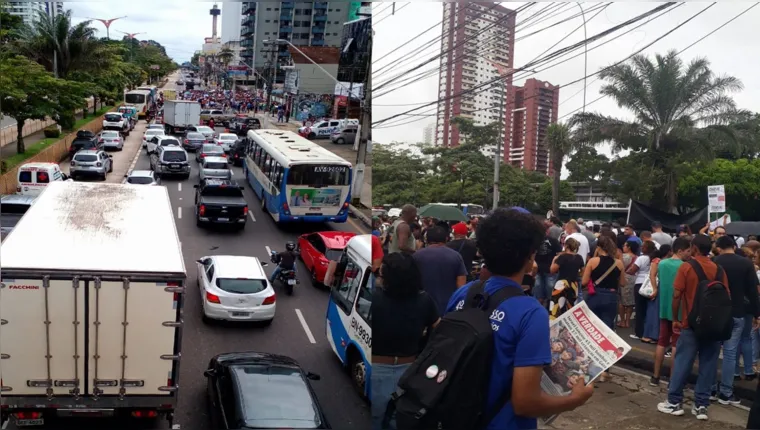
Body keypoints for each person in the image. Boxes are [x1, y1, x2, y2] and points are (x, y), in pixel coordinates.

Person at [445, 208, 594, 429]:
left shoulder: (464, 293)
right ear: (530, 256)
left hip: (456, 416)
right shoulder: (530, 313)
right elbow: (525, 403)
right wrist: (574, 400)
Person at [658, 235, 728, 420]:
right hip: (714, 326)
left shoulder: (687, 267)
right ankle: (701, 406)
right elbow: (726, 297)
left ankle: (674, 402)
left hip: (690, 324)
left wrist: (675, 318)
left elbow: (676, 295)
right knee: (709, 365)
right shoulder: (719, 269)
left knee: (683, 363)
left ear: (694, 248)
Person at [371, 253, 439, 430]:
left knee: (376, 418)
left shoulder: (375, 298)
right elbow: (439, 329)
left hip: (378, 368)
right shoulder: (424, 300)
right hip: (409, 370)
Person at [712, 235, 760, 405]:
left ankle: (710, 388)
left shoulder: (714, 261)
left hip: (716, 311)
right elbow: (753, 292)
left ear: (719, 246)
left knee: (712, 350)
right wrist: (756, 313)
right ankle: (726, 392)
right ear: (734, 245)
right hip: (737, 311)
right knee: (730, 353)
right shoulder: (746, 263)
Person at [650, 238, 690, 386]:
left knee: (661, 342)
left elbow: (658, 279)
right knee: (675, 345)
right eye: (687, 251)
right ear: (680, 250)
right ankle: (673, 379)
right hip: (679, 311)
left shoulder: (662, 264)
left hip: (663, 308)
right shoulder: (685, 266)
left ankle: (655, 376)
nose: (689, 253)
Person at [413, 226, 468, 315]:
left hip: (422, 308)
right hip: (447, 308)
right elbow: (461, 286)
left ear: (427, 239)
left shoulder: (417, 256)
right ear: (446, 239)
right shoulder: (456, 256)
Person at [549, 238, 584, 320]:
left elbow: (552, 270)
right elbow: (583, 272)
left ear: (566, 245)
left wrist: (554, 260)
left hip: (561, 283)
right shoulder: (579, 257)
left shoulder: (562, 257)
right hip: (573, 284)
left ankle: (554, 326)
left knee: (556, 306)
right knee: (571, 307)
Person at [631, 241, 658, 343]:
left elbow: (633, 270)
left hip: (640, 285)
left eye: (643, 246)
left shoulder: (641, 258)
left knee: (639, 310)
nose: (641, 248)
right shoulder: (654, 259)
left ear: (647, 248)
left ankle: (639, 333)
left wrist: (628, 271)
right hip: (651, 285)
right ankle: (649, 333)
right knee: (649, 310)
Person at [534, 221, 563, 307]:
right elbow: (560, 254)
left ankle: (545, 308)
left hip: (547, 270)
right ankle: (548, 308)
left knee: (540, 290)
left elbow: (559, 254)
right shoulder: (536, 241)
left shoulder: (552, 241)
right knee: (546, 291)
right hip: (544, 270)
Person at [617, 241, 639, 329]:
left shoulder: (623, 257)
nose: (623, 246)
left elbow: (619, 267)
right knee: (630, 302)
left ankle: (622, 321)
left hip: (624, 277)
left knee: (622, 301)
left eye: (625, 245)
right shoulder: (637, 257)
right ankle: (627, 322)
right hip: (633, 279)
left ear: (629, 247)